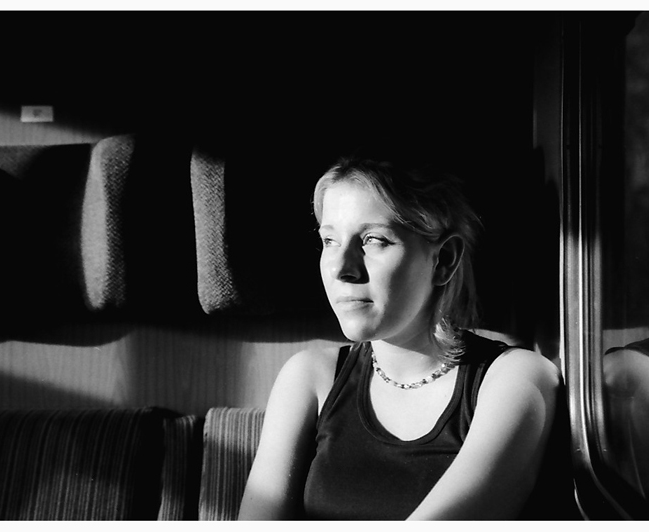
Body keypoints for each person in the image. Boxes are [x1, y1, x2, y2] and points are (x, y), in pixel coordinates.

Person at [238, 156, 566, 520]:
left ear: (444, 259)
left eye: (373, 240)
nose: (341, 268)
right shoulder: (309, 377)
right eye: (329, 240)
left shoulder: (517, 377)